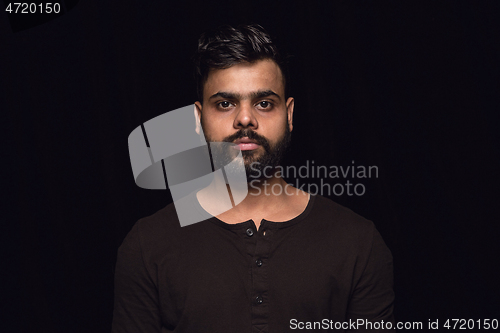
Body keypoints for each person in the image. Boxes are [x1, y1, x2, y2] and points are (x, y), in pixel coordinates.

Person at [112, 24, 395, 332]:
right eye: (224, 103)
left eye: (264, 103)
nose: (245, 118)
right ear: (198, 118)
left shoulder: (357, 242)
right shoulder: (147, 245)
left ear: (288, 115)